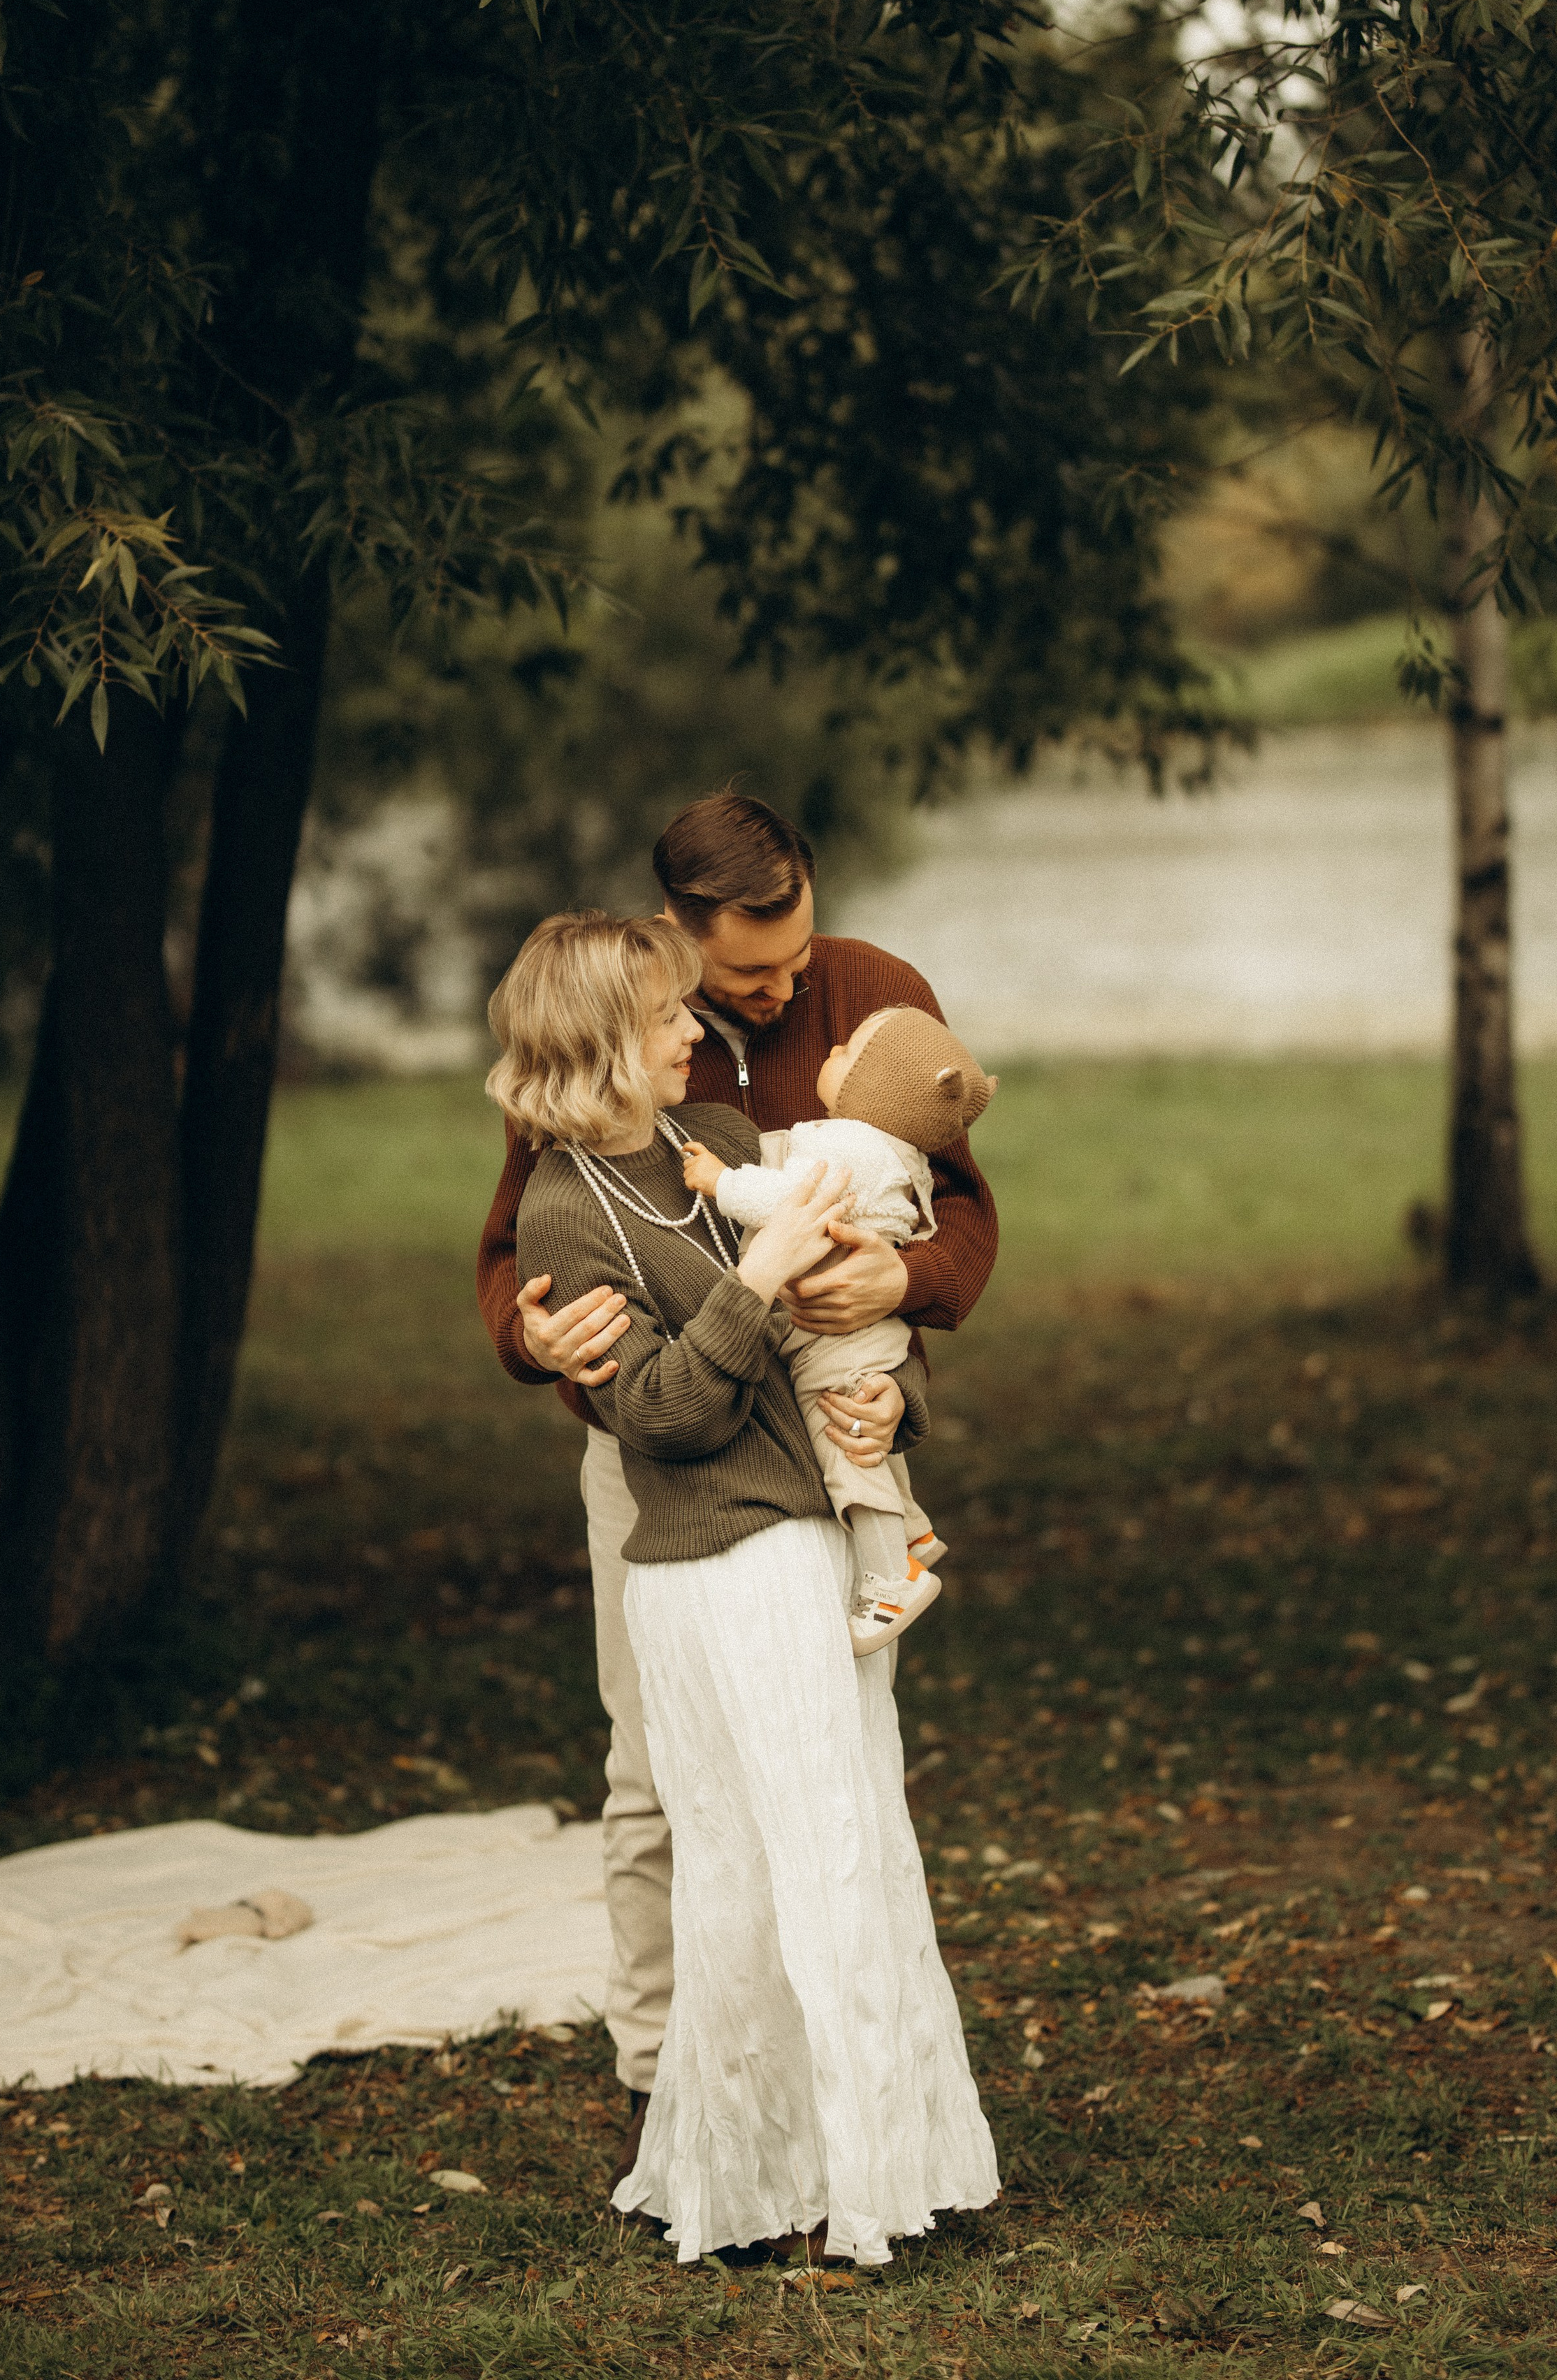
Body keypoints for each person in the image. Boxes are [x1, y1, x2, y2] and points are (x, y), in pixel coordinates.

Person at [473, 791, 998, 2194]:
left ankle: (838, 2078)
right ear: (678, 941)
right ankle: (670, 2067)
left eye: (791, 958)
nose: (772, 993)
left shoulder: (876, 1000)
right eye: (743, 974)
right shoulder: (620, 1028)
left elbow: (951, 1201)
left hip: (818, 1425)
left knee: (833, 1771)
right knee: (658, 1774)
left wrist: (903, 1293)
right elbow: (522, 1247)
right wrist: (533, 1337)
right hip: (662, 1459)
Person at [681, 1001, 999, 1657]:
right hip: (861, 1332)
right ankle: (911, 1531)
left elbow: (787, 1207)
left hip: (834, 1334)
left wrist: (719, 1180)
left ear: (876, 1091)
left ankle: (890, 1580)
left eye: (848, 1055)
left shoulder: (848, 1149)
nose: (831, 1053)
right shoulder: (888, 1153)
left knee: (847, 1451)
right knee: (866, 1437)